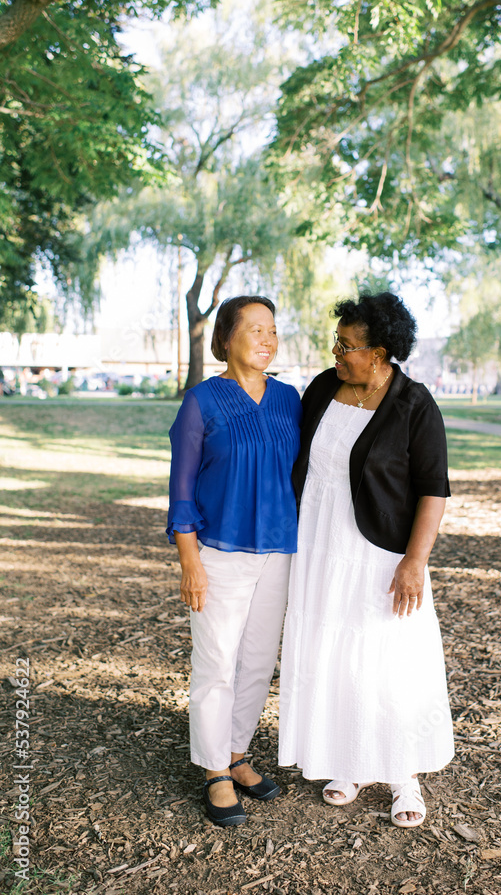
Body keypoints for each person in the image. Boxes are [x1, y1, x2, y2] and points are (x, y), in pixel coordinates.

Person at [278, 292, 454, 828]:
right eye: (336, 343)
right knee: (332, 656)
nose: (336, 353)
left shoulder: (413, 404)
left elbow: (433, 489)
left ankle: (403, 776)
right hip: (318, 547)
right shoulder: (323, 388)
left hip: (380, 554)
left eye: (346, 346)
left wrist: (415, 561)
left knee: (387, 661)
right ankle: (348, 760)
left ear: (378, 353)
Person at [166, 295, 302, 828]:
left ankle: (237, 754)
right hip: (220, 554)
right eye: (255, 330)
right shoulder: (201, 402)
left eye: (273, 330)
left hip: (279, 552)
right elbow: (181, 489)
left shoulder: (289, 399)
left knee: (258, 662)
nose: (268, 340)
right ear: (226, 339)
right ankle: (214, 771)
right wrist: (190, 562)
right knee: (216, 665)